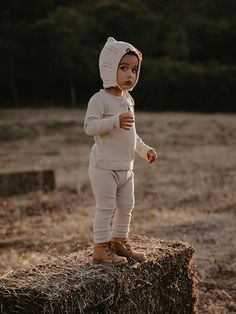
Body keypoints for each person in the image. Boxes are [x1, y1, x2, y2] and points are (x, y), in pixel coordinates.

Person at [84, 37, 157, 266]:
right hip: (104, 167)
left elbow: (131, 135)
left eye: (134, 70)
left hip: (127, 168)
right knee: (106, 208)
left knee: (127, 207)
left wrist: (144, 150)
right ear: (108, 68)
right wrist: (114, 121)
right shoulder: (99, 100)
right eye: (123, 67)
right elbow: (90, 127)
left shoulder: (128, 100)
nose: (130, 74)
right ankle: (100, 249)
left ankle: (119, 242)